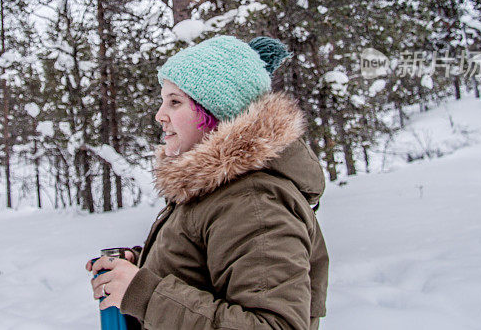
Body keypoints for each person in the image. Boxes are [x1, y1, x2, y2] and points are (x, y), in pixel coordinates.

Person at [87, 35, 329, 329]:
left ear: (216, 114)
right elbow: (203, 272)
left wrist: (145, 294)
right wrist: (141, 266)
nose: (159, 115)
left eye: (175, 102)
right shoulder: (215, 189)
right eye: (163, 101)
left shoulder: (254, 203)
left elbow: (274, 325)